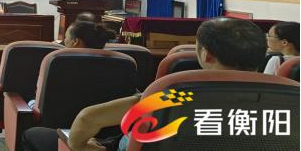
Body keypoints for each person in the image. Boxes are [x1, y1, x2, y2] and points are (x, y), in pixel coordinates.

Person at [22, 17, 269, 151]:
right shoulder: (285, 96)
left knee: (35, 136)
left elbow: (87, 119)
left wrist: (80, 146)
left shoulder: (181, 93)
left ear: (206, 55)